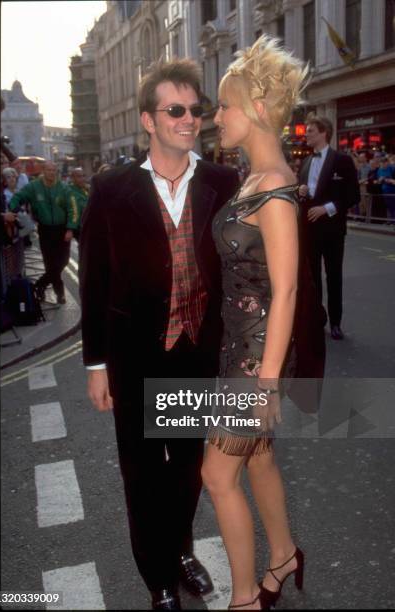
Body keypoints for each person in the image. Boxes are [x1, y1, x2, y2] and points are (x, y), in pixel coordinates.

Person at [79, 58, 240, 610]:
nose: (189, 119)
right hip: (136, 356)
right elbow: (95, 281)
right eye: (176, 110)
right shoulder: (110, 188)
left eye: (195, 110)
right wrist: (95, 364)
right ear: (148, 120)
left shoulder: (223, 181)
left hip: (197, 353)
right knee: (144, 475)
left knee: (190, 470)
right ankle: (158, 580)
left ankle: (177, 550)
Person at [201, 34, 311, 611]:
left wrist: (266, 383)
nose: (215, 116)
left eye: (224, 105)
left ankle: (243, 600)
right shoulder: (250, 180)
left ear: (258, 110)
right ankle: (285, 553)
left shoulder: (273, 189)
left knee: (217, 477)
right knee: (258, 456)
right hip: (236, 347)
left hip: (255, 359)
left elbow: (288, 288)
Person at [298, 117, 360, 340]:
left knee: (334, 277)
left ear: (324, 133)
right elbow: (300, 192)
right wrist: (300, 191)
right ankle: (317, 320)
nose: (306, 135)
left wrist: (327, 208)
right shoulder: (305, 162)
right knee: (312, 279)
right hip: (310, 230)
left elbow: (353, 195)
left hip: (333, 230)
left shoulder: (342, 160)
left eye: (311, 131)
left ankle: (335, 323)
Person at [9, 161, 78, 304]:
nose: (51, 173)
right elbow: (18, 196)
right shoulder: (34, 187)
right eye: (48, 170)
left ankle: (40, 285)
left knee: (63, 262)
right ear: (43, 171)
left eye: (54, 170)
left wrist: (70, 228)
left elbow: (73, 209)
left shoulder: (64, 188)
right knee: (50, 263)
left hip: (62, 229)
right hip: (45, 230)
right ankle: (60, 294)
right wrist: (13, 208)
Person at [68, 167, 89, 242]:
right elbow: (73, 211)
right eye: (79, 176)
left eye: (83, 176)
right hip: (80, 228)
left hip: (89, 225)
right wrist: (70, 229)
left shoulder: (86, 190)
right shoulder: (70, 192)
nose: (82, 179)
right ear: (72, 178)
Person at [377, 156, 395, 221]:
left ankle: (393, 220)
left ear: (387, 162)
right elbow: (378, 181)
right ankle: (390, 220)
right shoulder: (379, 170)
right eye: (382, 162)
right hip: (384, 191)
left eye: (385, 162)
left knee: (393, 206)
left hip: (392, 191)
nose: (383, 163)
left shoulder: (392, 168)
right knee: (388, 207)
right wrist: (380, 180)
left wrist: (388, 180)